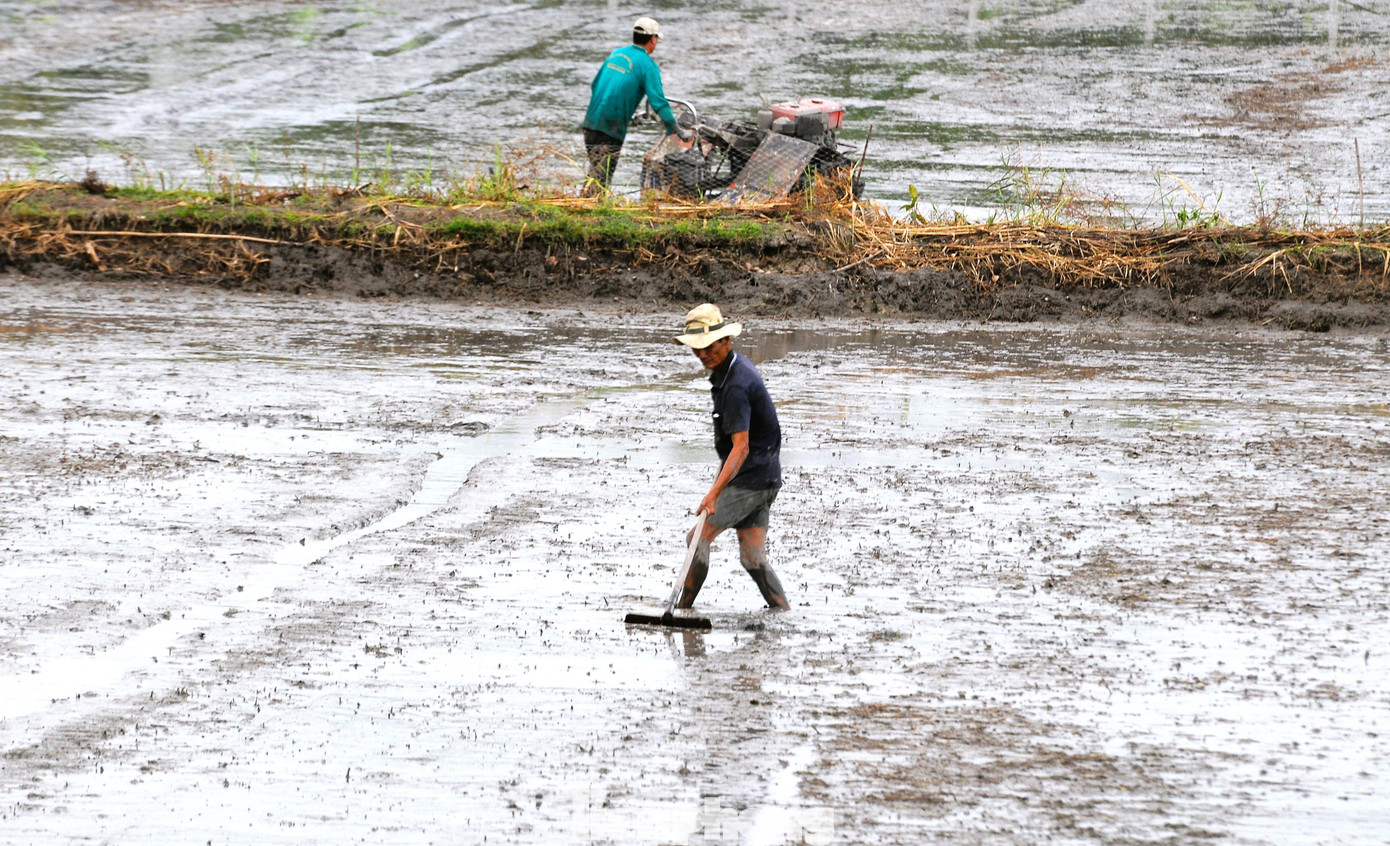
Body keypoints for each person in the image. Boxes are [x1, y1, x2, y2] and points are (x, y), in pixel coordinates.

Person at [673, 304, 790, 610]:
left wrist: (713, 494)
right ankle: (784, 614)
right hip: (765, 477)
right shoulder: (732, 369)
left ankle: (680, 610)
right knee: (752, 558)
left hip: (750, 481)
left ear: (725, 341)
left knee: (697, 539)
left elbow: (741, 448)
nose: (702, 355)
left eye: (708, 348)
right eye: (696, 349)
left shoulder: (736, 384)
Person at [581, 16, 691, 195]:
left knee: (596, 173)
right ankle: (590, 212)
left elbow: (595, 85)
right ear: (653, 39)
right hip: (610, 127)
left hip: (590, 122)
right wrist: (674, 127)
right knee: (601, 179)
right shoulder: (648, 66)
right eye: (657, 40)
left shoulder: (616, 54)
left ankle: (584, 207)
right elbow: (658, 101)